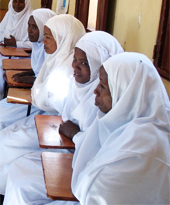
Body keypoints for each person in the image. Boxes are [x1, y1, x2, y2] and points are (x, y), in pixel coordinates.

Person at [1, 31, 124, 204]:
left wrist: (76, 136)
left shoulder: (106, 98)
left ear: (100, 65)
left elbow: (100, 148)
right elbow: (63, 113)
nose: (74, 66)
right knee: (15, 161)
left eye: (84, 63)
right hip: (65, 141)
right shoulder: (80, 85)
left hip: (81, 160)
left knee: (15, 161)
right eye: (75, 60)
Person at [0, 14, 86, 195]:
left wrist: (37, 89)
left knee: (7, 145)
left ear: (63, 38)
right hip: (45, 119)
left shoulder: (71, 70)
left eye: (48, 37)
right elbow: (43, 93)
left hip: (53, 127)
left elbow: (50, 101)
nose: (44, 41)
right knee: (6, 137)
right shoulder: (56, 59)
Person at [71, 52, 170, 205]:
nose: (95, 91)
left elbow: (100, 194)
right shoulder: (121, 122)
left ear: (126, 93)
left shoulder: (140, 151)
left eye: (102, 86)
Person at [0, 8, 56, 130]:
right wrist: (29, 73)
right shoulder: (39, 45)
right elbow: (40, 69)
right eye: (29, 26)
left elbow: (50, 83)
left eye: (35, 27)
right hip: (34, 93)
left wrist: (32, 79)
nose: (29, 30)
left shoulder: (52, 50)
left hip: (42, 103)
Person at [0, 0, 32, 99]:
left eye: (21, 2)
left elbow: (34, 44)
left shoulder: (31, 18)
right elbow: (0, 32)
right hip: (5, 51)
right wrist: (5, 39)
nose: (17, 4)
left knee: (2, 67)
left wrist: (16, 43)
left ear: (26, 3)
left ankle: (5, 95)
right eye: (15, 1)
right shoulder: (9, 15)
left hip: (23, 56)